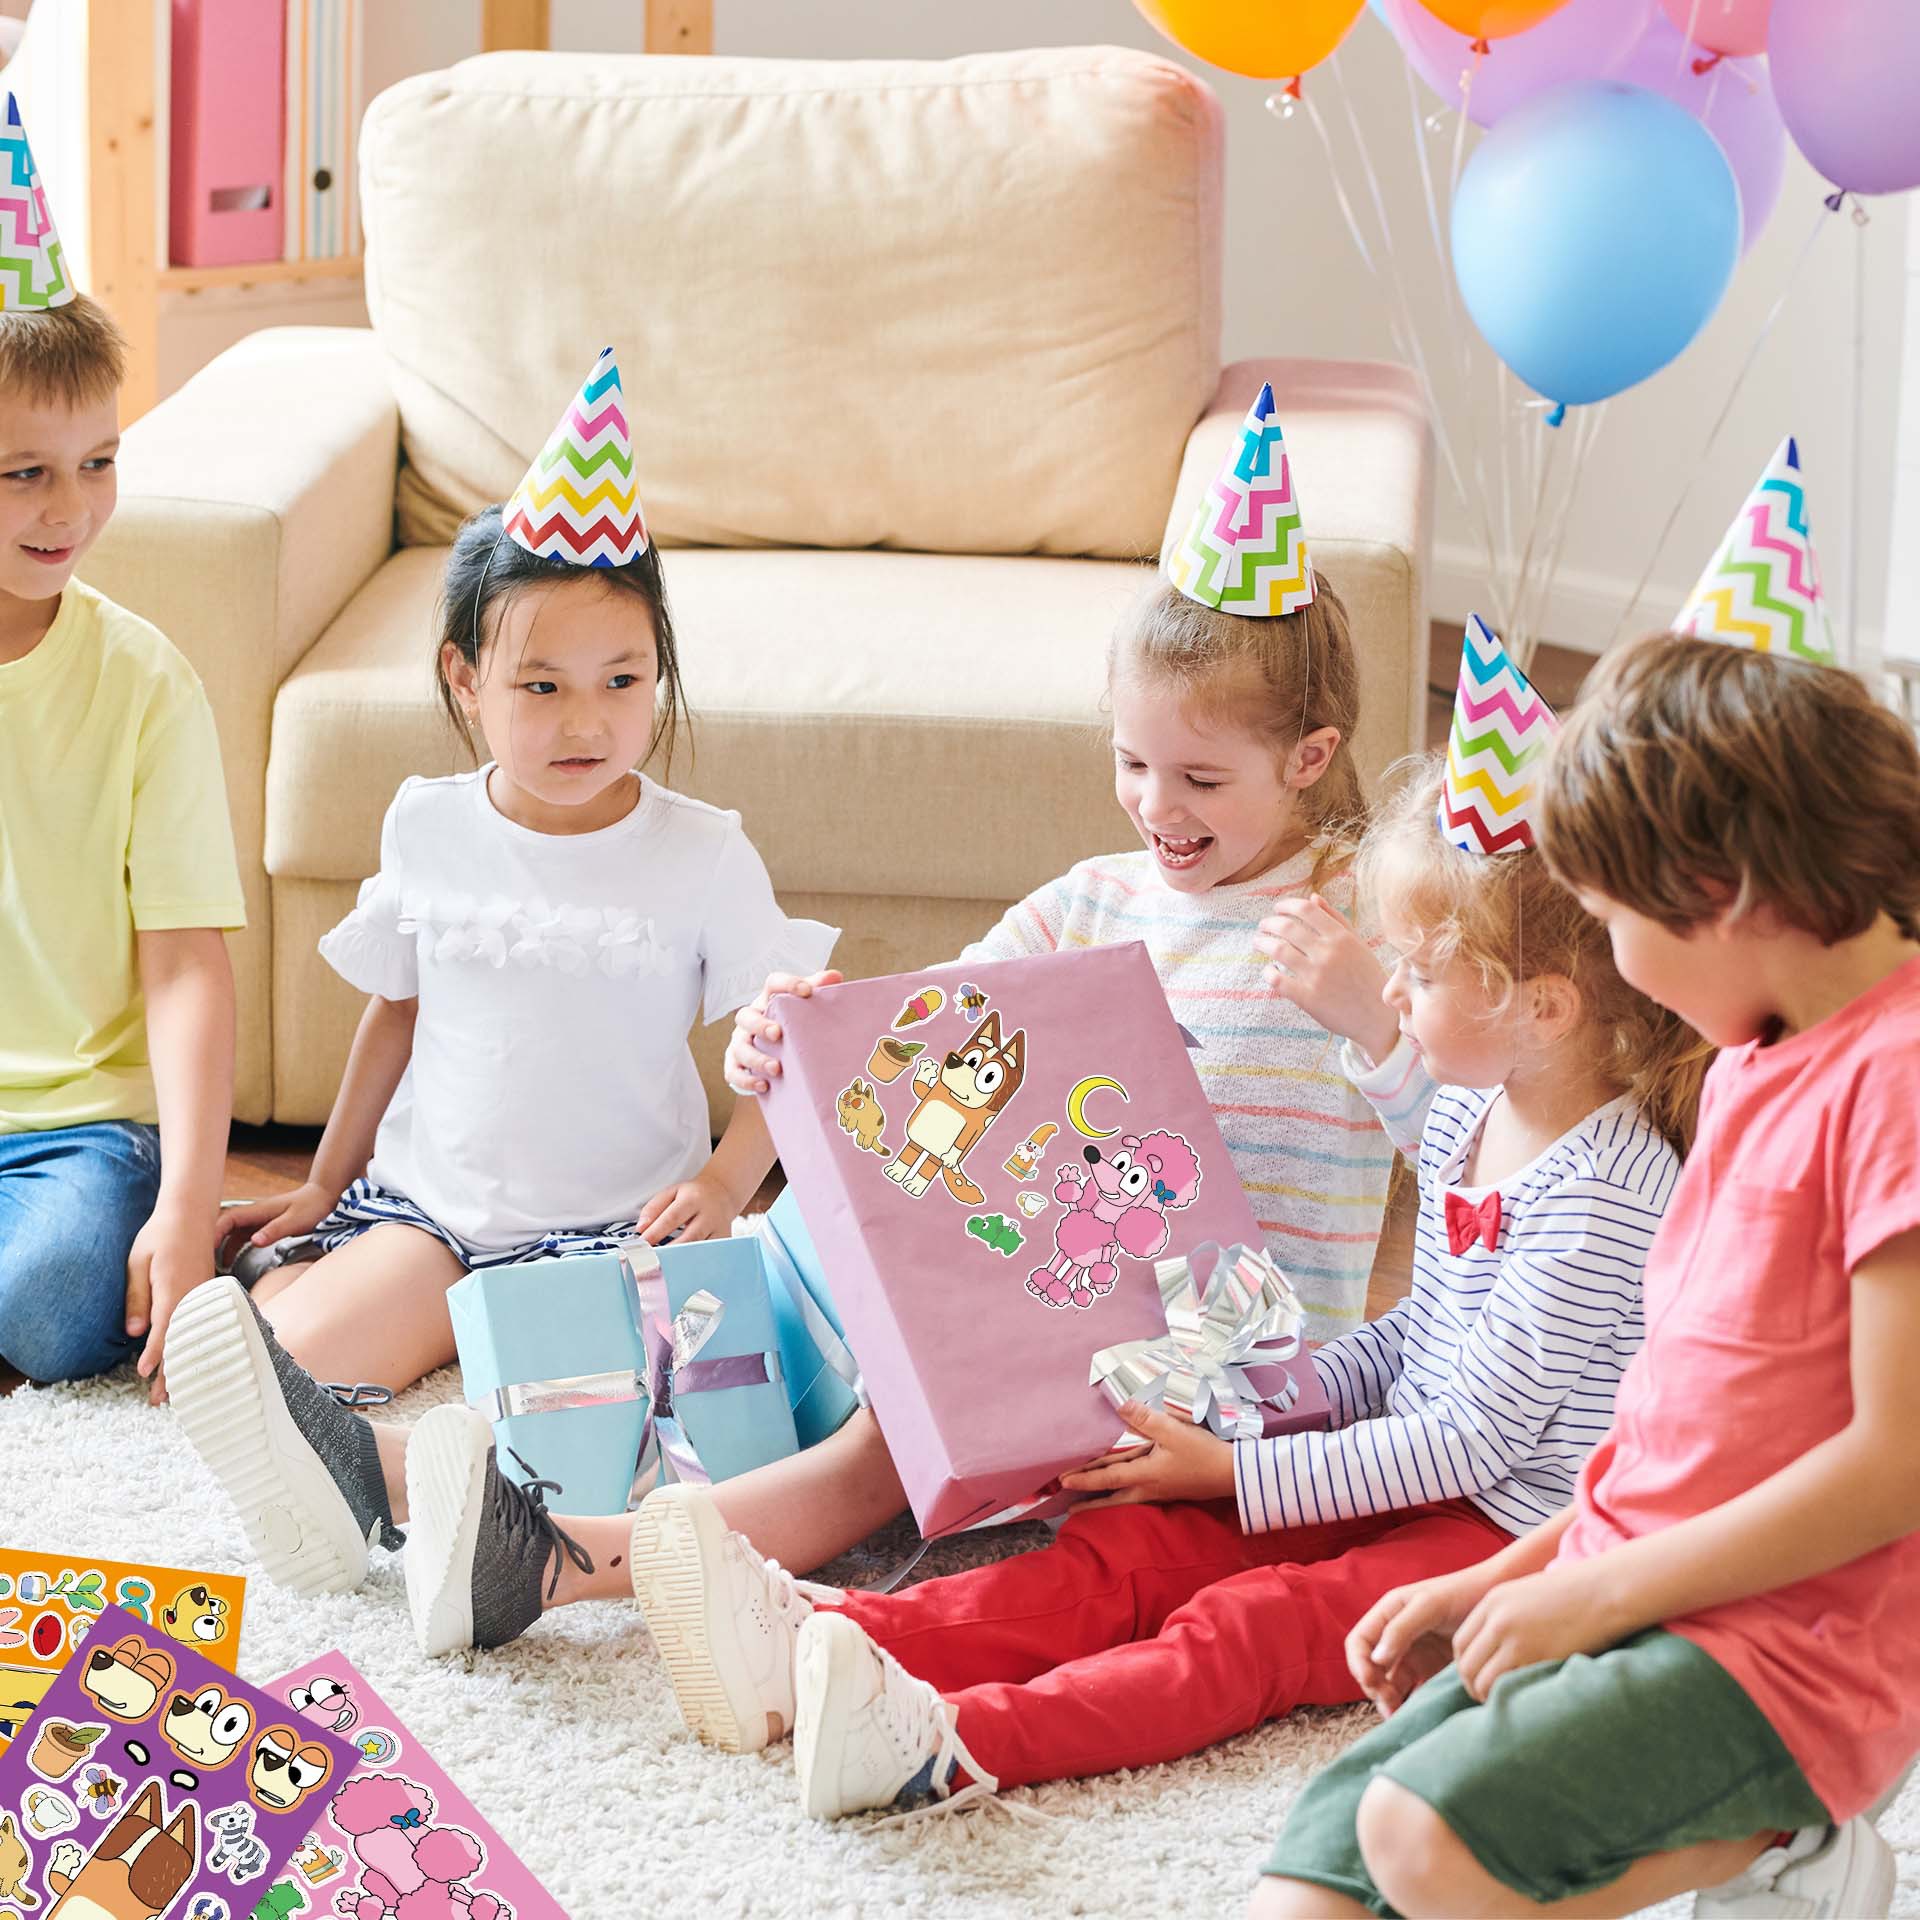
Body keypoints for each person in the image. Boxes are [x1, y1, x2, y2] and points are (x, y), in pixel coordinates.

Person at [641, 614, 1708, 1819]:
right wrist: (1270, 1412)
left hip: (1508, 1534)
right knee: (1136, 1552)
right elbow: (1419, 1340)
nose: (1392, 990)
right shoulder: (1475, 1111)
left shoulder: (1606, 1196)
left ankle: (954, 1742)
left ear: (1542, 1008)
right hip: (1408, 1460)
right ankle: (830, 1639)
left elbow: (1471, 1444)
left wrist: (1247, 1471)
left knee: (1254, 1626)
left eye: (1418, 973)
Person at [1258, 634, 1920, 1920]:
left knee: (1420, 1837)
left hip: (1795, 1651)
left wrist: (1592, 1594)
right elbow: (1683, 1432)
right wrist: (1512, 1576)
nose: (1614, 962)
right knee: (1318, 1870)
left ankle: (1790, 1845)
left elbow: (1897, 1463)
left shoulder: (1892, 1085)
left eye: (1613, 923)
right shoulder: (1752, 1062)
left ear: (1721, 895)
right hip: (1631, 1579)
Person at [166, 352, 834, 1610]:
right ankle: (306, 1303)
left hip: (609, 1233)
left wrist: (724, 1181)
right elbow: (396, 1010)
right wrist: (323, 1181)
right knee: (270, 1372)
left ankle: (408, 1476)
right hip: (437, 1215)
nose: (586, 721)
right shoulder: (428, 822)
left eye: (622, 683)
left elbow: (791, 1044)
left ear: (659, 676)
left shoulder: (701, 852)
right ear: (465, 682)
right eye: (540, 686)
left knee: (586, 1440)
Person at [0, 103, 243, 1400]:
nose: (71, 507)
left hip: (77, 1129)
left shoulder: (145, 682)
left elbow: (187, 961)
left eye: (96, 461)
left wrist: (190, 1209)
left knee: (50, 1305)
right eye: (24, 473)